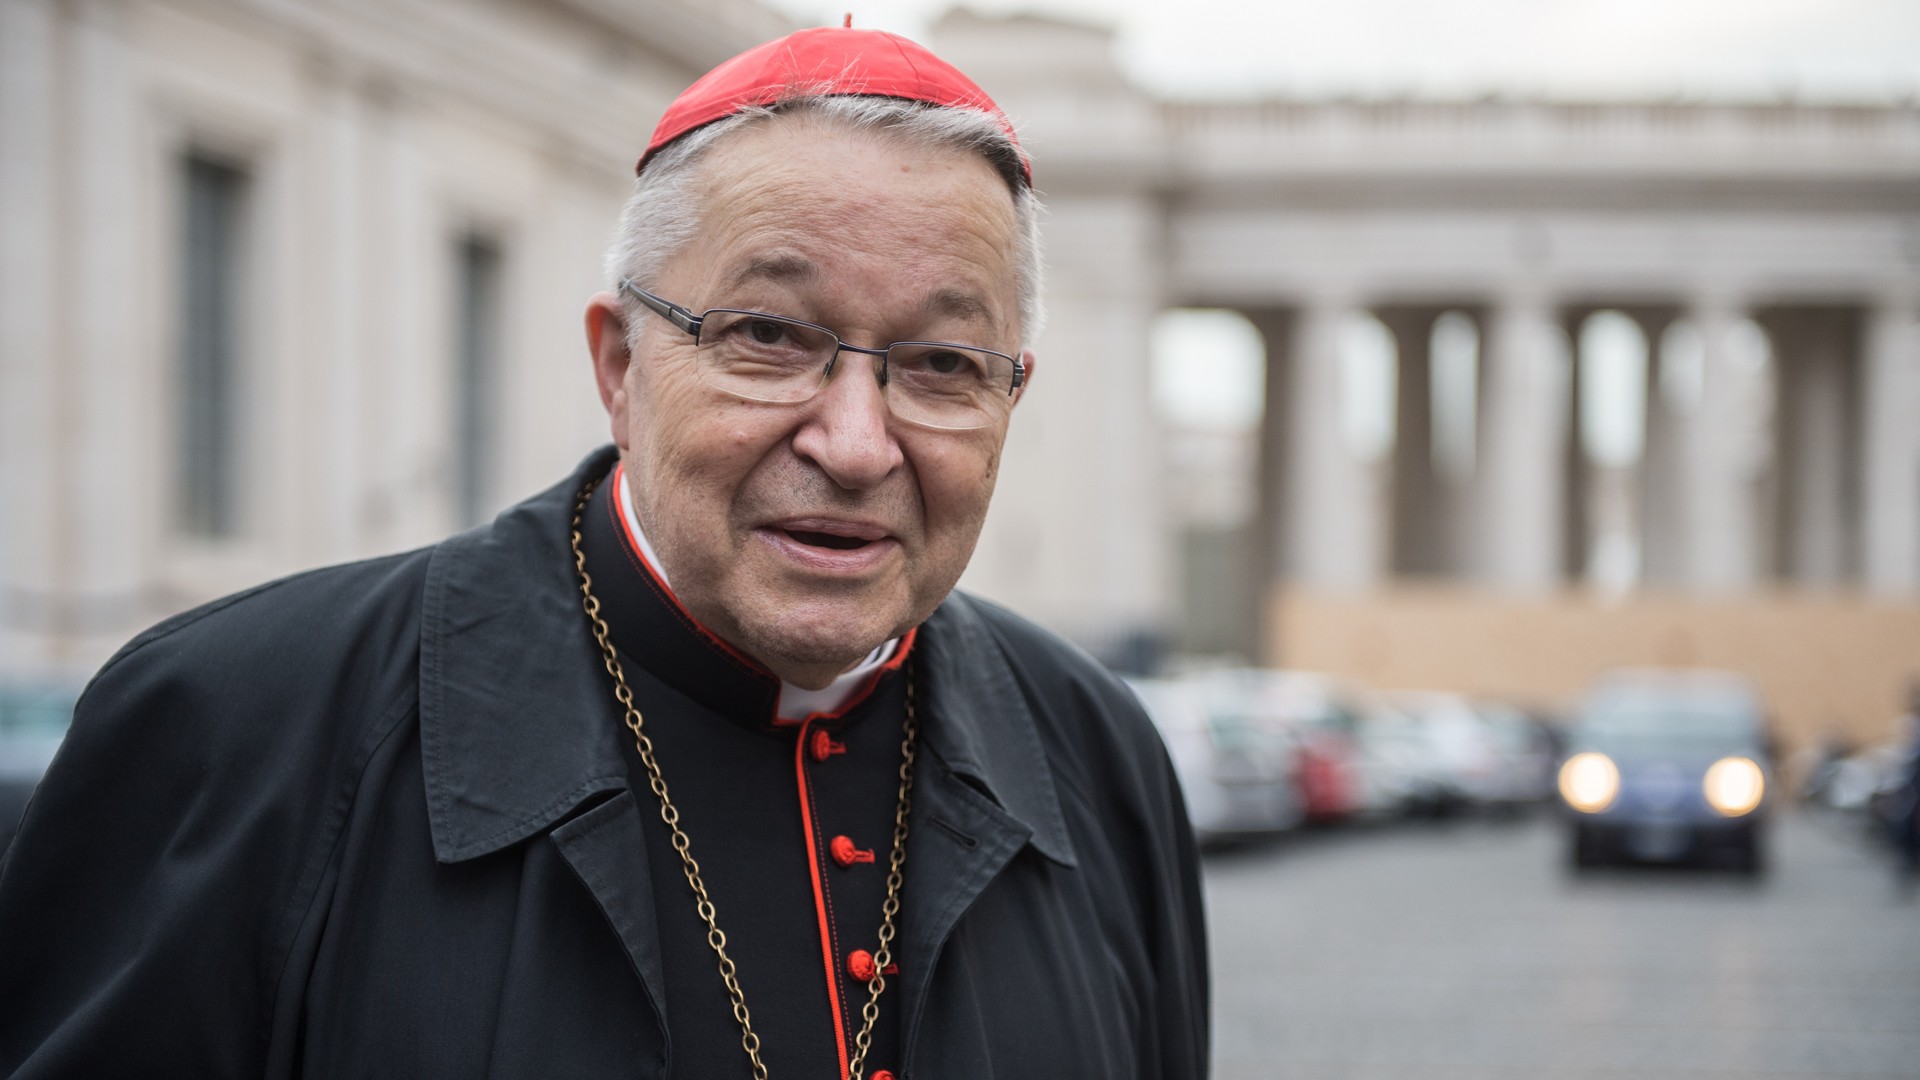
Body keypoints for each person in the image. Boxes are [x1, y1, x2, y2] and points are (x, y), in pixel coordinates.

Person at [0, 23, 1209, 1080]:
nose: (855, 443)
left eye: (943, 365)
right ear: (622, 369)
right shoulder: (239, 722)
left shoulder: (1096, 758)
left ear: (1011, 401)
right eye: (769, 336)